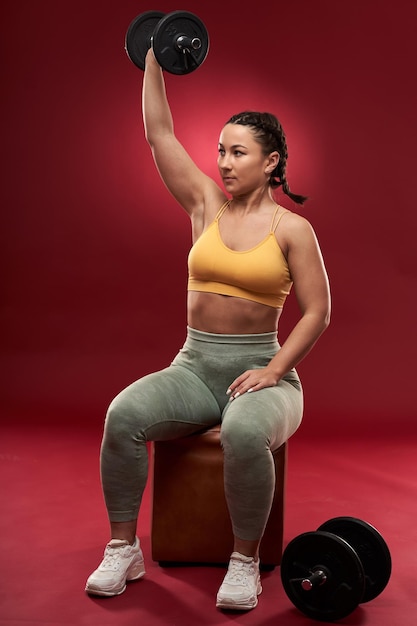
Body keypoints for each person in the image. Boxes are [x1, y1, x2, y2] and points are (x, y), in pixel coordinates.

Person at [85, 47, 331, 612]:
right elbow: (159, 134)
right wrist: (153, 56)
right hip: (195, 368)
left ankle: (244, 561)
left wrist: (274, 370)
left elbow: (318, 310)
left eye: (238, 152)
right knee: (122, 416)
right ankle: (124, 548)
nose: (223, 162)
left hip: (265, 374)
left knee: (246, 434)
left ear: (270, 163)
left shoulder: (293, 229)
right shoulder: (205, 208)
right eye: (220, 151)